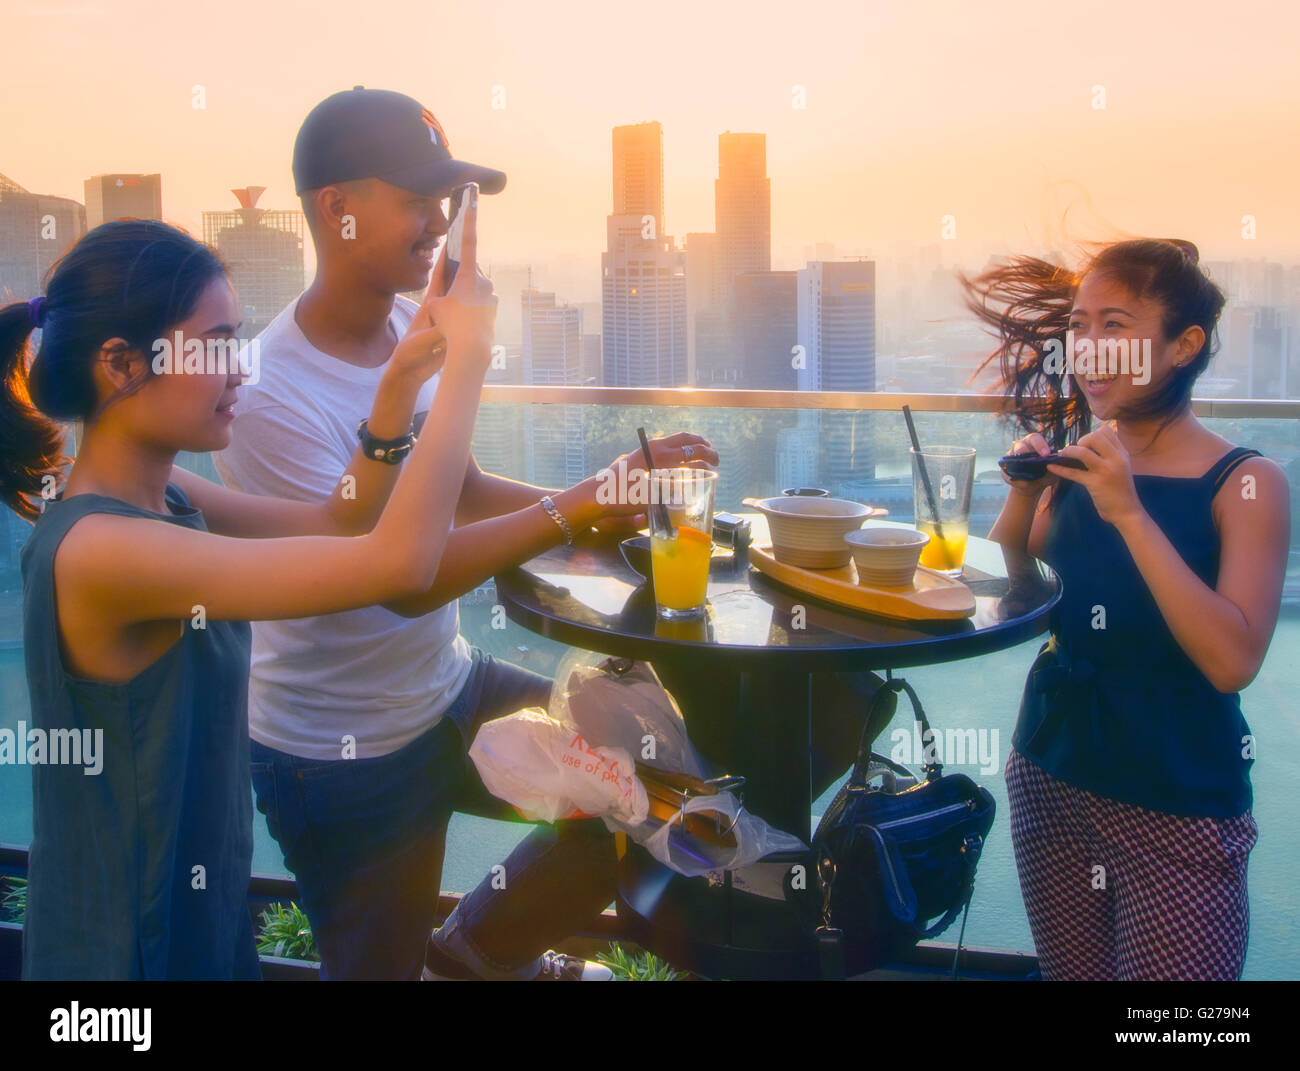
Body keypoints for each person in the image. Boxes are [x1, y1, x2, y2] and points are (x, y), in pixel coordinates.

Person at [0, 212, 496, 979]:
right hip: (122, 965)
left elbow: (342, 520)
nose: (241, 369)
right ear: (122, 364)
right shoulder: (106, 550)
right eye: (217, 343)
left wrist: (398, 385)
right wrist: (468, 363)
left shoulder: (159, 494)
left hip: (192, 921)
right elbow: (398, 566)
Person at [974, 238, 1289, 980]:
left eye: (1114, 325)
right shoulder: (1079, 462)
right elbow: (996, 596)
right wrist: (1025, 492)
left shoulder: (1247, 483)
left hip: (1177, 807)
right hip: (1051, 777)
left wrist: (1129, 512)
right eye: (1079, 326)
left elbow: (1231, 659)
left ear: (1185, 345)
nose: (1088, 348)